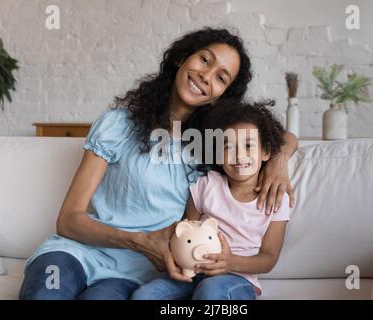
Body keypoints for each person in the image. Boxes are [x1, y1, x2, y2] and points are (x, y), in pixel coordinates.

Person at [19, 27, 298, 300]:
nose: (205, 75)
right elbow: (68, 221)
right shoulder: (119, 124)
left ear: (222, 96)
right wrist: (139, 241)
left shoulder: (212, 144)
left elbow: (275, 135)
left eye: (221, 78)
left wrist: (278, 160)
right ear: (182, 58)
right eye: (204, 60)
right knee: (47, 293)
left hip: (134, 275)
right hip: (76, 253)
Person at [131, 99, 290, 300]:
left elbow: (269, 259)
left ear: (265, 152)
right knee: (144, 295)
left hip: (236, 278)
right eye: (229, 147)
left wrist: (230, 262)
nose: (239, 155)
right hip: (193, 271)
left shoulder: (275, 199)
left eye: (248, 146)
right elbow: (185, 229)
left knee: (210, 293)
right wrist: (182, 257)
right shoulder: (206, 185)